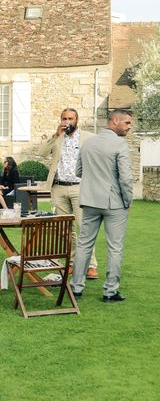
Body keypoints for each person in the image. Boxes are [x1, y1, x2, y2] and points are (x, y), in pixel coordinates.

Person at [72, 109, 133, 303]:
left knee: (84, 244)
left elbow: (78, 171)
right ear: (115, 121)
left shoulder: (88, 143)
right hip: (114, 203)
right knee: (115, 247)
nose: (129, 128)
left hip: (89, 201)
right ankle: (110, 291)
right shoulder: (120, 144)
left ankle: (76, 288)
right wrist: (127, 200)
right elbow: (125, 179)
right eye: (127, 123)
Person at [40, 108, 98, 279]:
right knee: (65, 230)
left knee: (84, 227)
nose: (67, 122)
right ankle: (71, 263)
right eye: (64, 118)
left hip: (80, 187)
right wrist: (55, 135)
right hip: (58, 187)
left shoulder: (88, 137)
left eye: (70, 118)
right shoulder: (58, 138)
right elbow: (42, 153)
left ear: (77, 120)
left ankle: (91, 265)